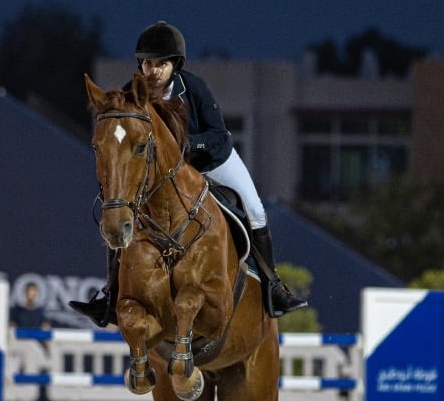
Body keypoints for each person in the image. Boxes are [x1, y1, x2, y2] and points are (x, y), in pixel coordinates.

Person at [70, 21, 308, 326]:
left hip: (212, 160)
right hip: (167, 172)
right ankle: (110, 294)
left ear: (175, 65)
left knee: (255, 208)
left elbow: (220, 135)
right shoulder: (134, 94)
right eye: (147, 63)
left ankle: (274, 286)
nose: (153, 71)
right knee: (124, 214)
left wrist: (188, 144)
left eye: (161, 64)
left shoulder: (194, 88)